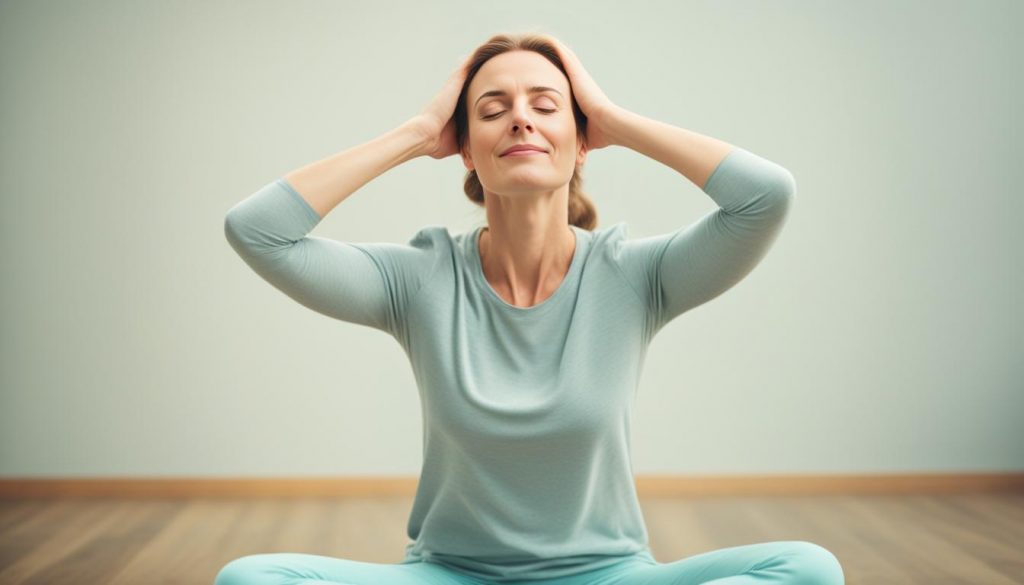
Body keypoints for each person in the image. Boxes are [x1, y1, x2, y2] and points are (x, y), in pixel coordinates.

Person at [218, 33, 844, 585]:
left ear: (581, 145)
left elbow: (765, 196)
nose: (521, 120)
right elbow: (258, 231)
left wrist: (612, 117)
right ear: (464, 149)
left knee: (809, 567)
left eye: (546, 107)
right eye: (492, 111)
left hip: (609, 576)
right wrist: (415, 133)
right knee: (251, 577)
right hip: (450, 575)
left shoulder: (635, 275)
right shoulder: (418, 279)